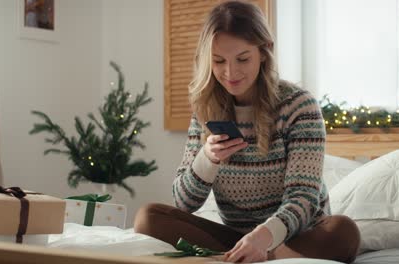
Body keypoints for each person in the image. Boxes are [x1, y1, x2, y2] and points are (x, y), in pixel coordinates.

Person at [134, 1, 360, 263]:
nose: (230, 73)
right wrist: (207, 159)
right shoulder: (205, 109)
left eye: (243, 59)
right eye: (219, 61)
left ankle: (260, 256)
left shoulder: (299, 106)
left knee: (344, 232)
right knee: (148, 218)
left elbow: (304, 199)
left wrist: (263, 239)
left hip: (295, 237)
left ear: (264, 51)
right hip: (235, 237)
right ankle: (241, 256)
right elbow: (184, 203)